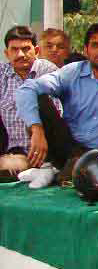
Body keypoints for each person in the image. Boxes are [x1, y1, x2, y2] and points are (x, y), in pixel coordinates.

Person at [15, 23, 98, 187]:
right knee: (38, 97)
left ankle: (58, 172)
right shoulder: (72, 72)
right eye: (95, 45)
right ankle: (54, 166)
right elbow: (26, 89)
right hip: (67, 148)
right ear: (86, 50)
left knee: (92, 175)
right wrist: (36, 128)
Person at [0, 27, 57, 179]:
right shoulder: (2, 74)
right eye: (14, 50)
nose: (20, 55)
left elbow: (57, 113)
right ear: (7, 53)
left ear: (36, 50)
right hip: (15, 153)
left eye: (26, 49)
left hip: (49, 151)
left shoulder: (48, 71)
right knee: (7, 166)